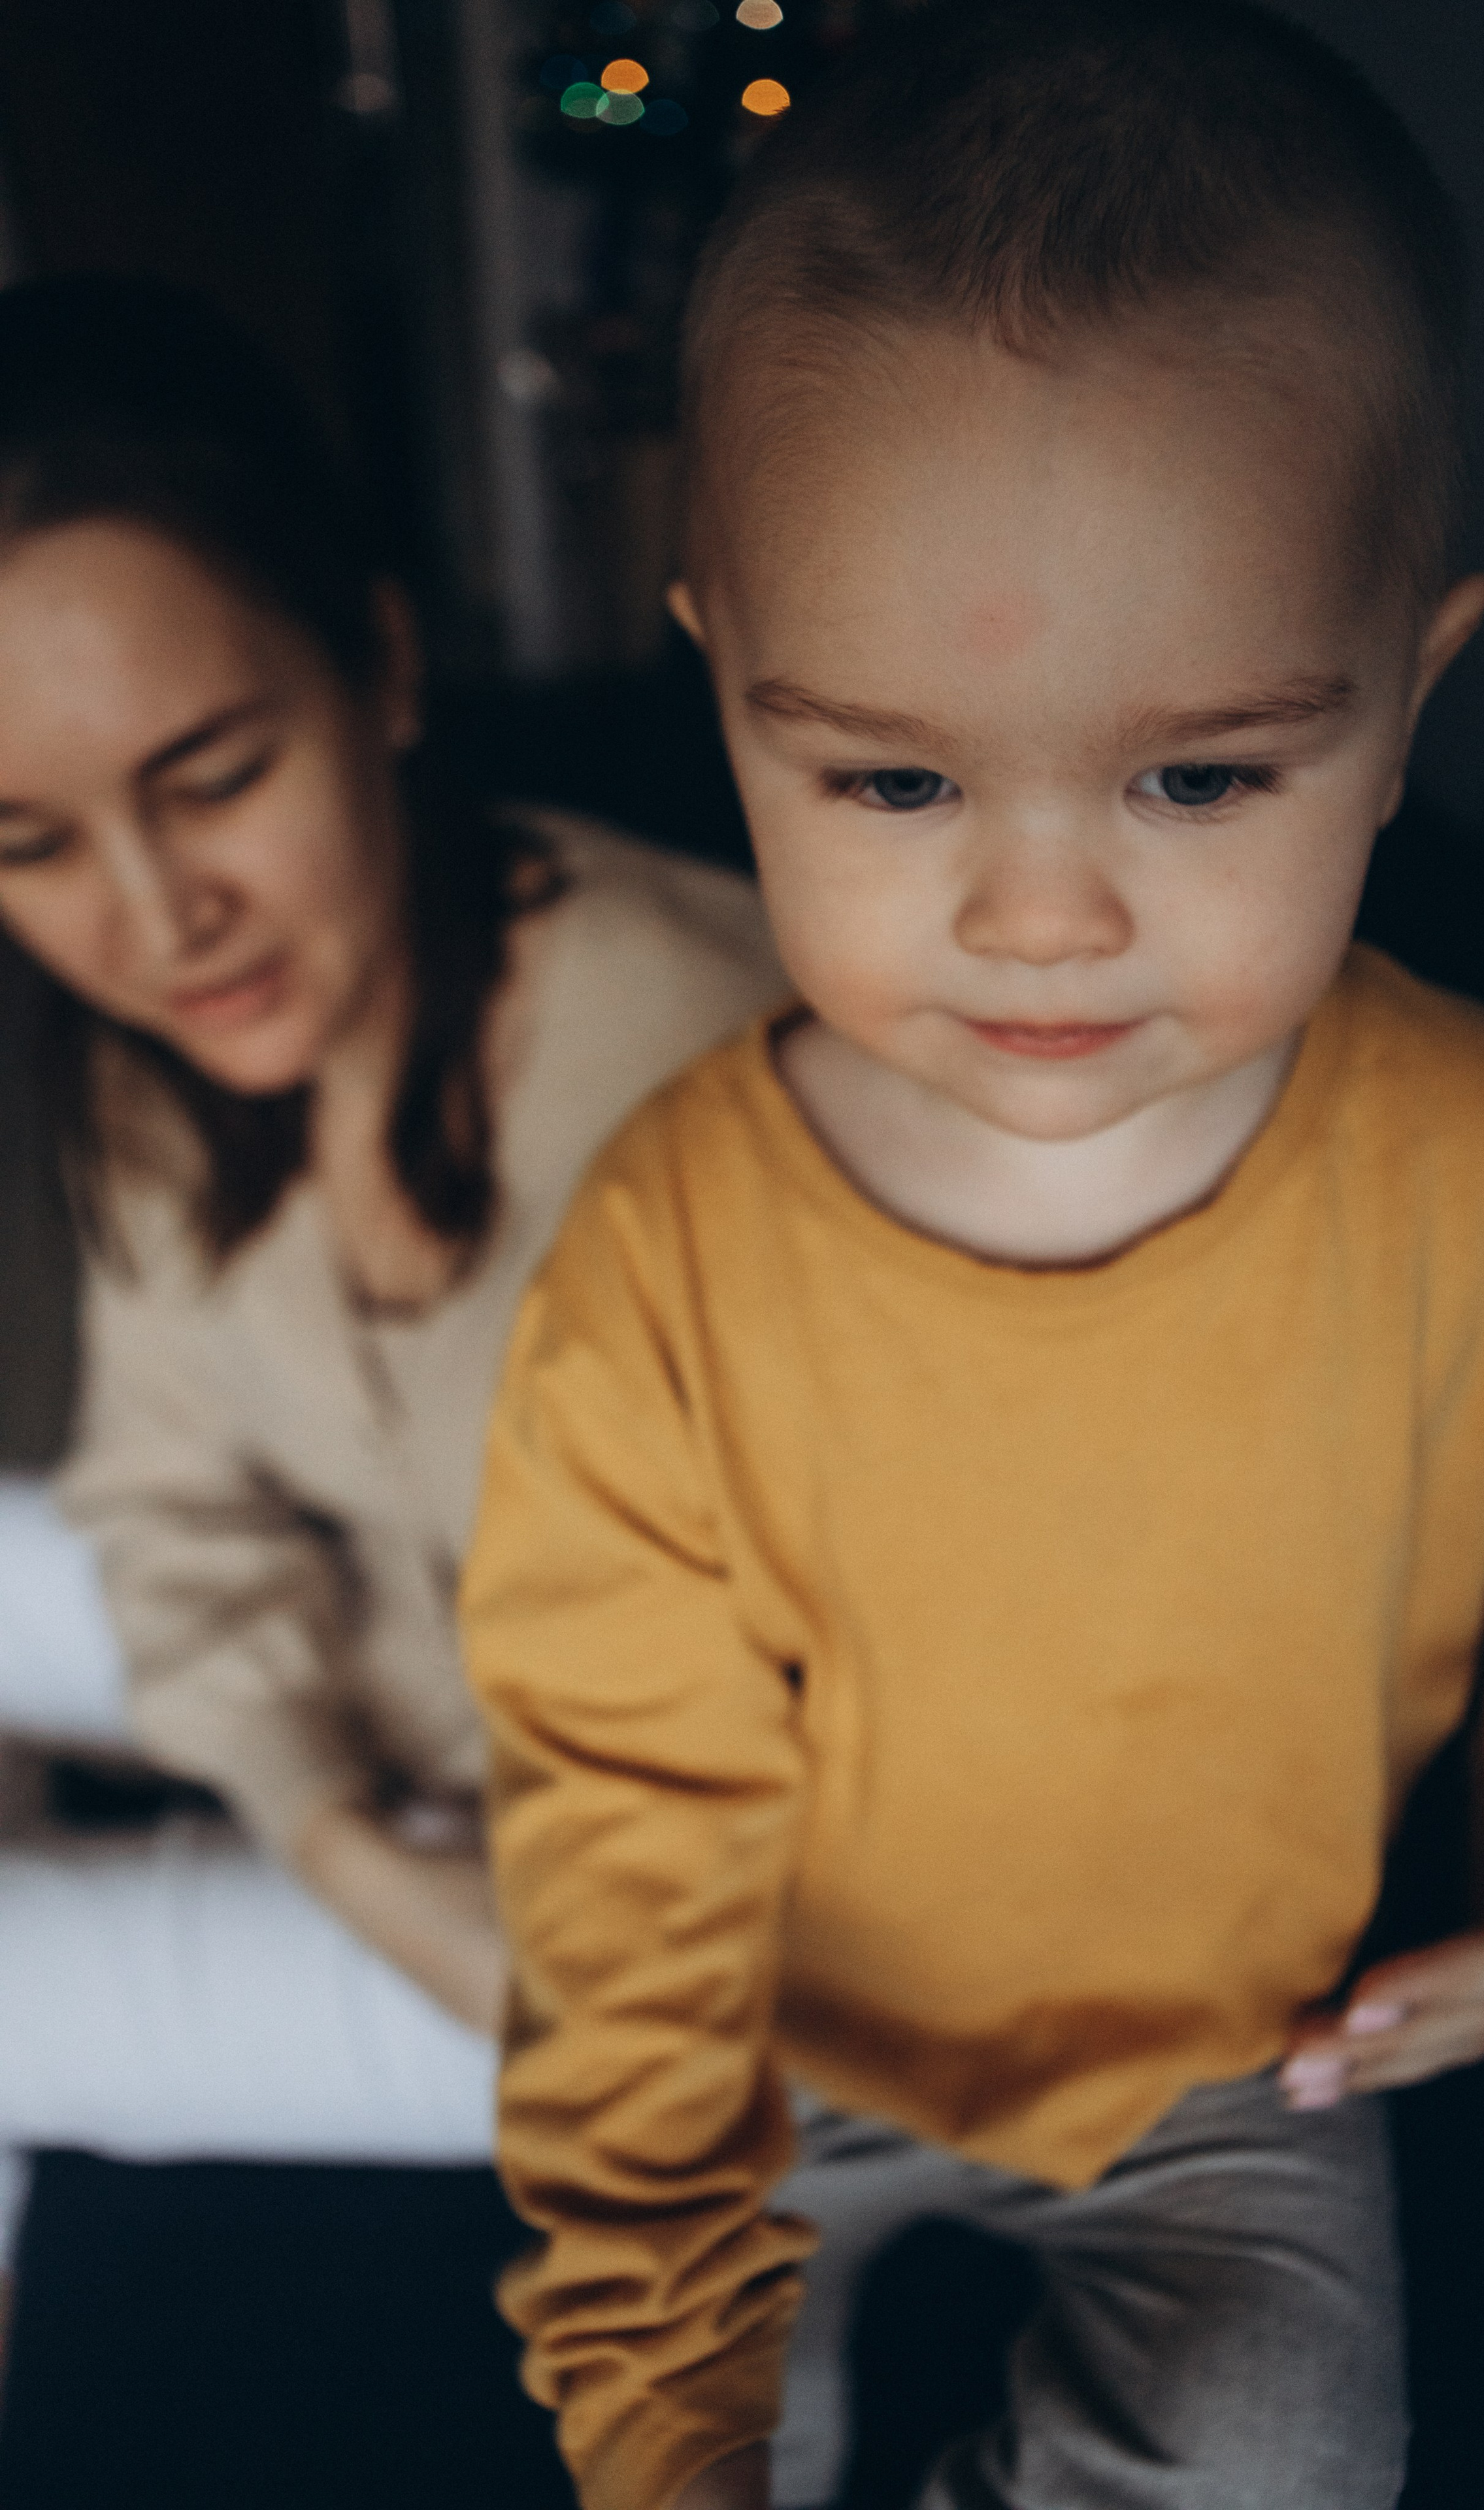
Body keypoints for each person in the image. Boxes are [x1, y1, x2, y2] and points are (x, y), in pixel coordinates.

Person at [460, 10, 1484, 2509]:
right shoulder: (669, 1277)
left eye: (1202, 774)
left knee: (1281, 2460)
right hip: (778, 2040)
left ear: (1408, 703)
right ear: (729, 704)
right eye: (889, 777)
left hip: (1242, 2052)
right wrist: (665, 2420)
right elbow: (621, 1869)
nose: (1035, 917)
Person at [0, 273, 787, 2250]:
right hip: (417, 1724)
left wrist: (416, 1888)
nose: (161, 920)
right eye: (32, 843)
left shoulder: (692, 1081)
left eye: (213, 779)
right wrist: (334, 1836)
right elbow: (160, 1497)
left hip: (698, 1945)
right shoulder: (163, 1083)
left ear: (385, 668)